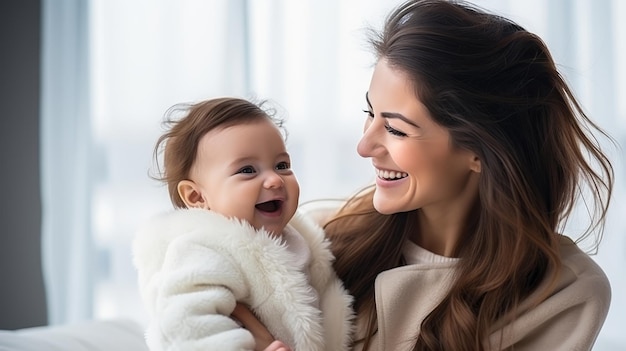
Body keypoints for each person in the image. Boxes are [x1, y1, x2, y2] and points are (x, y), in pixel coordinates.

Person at [243, 0, 616, 350]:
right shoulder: (319, 239)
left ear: (478, 151)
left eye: (396, 129)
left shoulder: (565, 293)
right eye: (370, 113)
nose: (364, 146)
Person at [132, 97, 354, 351]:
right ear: (197, 197)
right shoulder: (203, 250)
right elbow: (186, 328)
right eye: (247, 170)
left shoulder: (298, 241)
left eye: (282, 165)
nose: (274, 180)